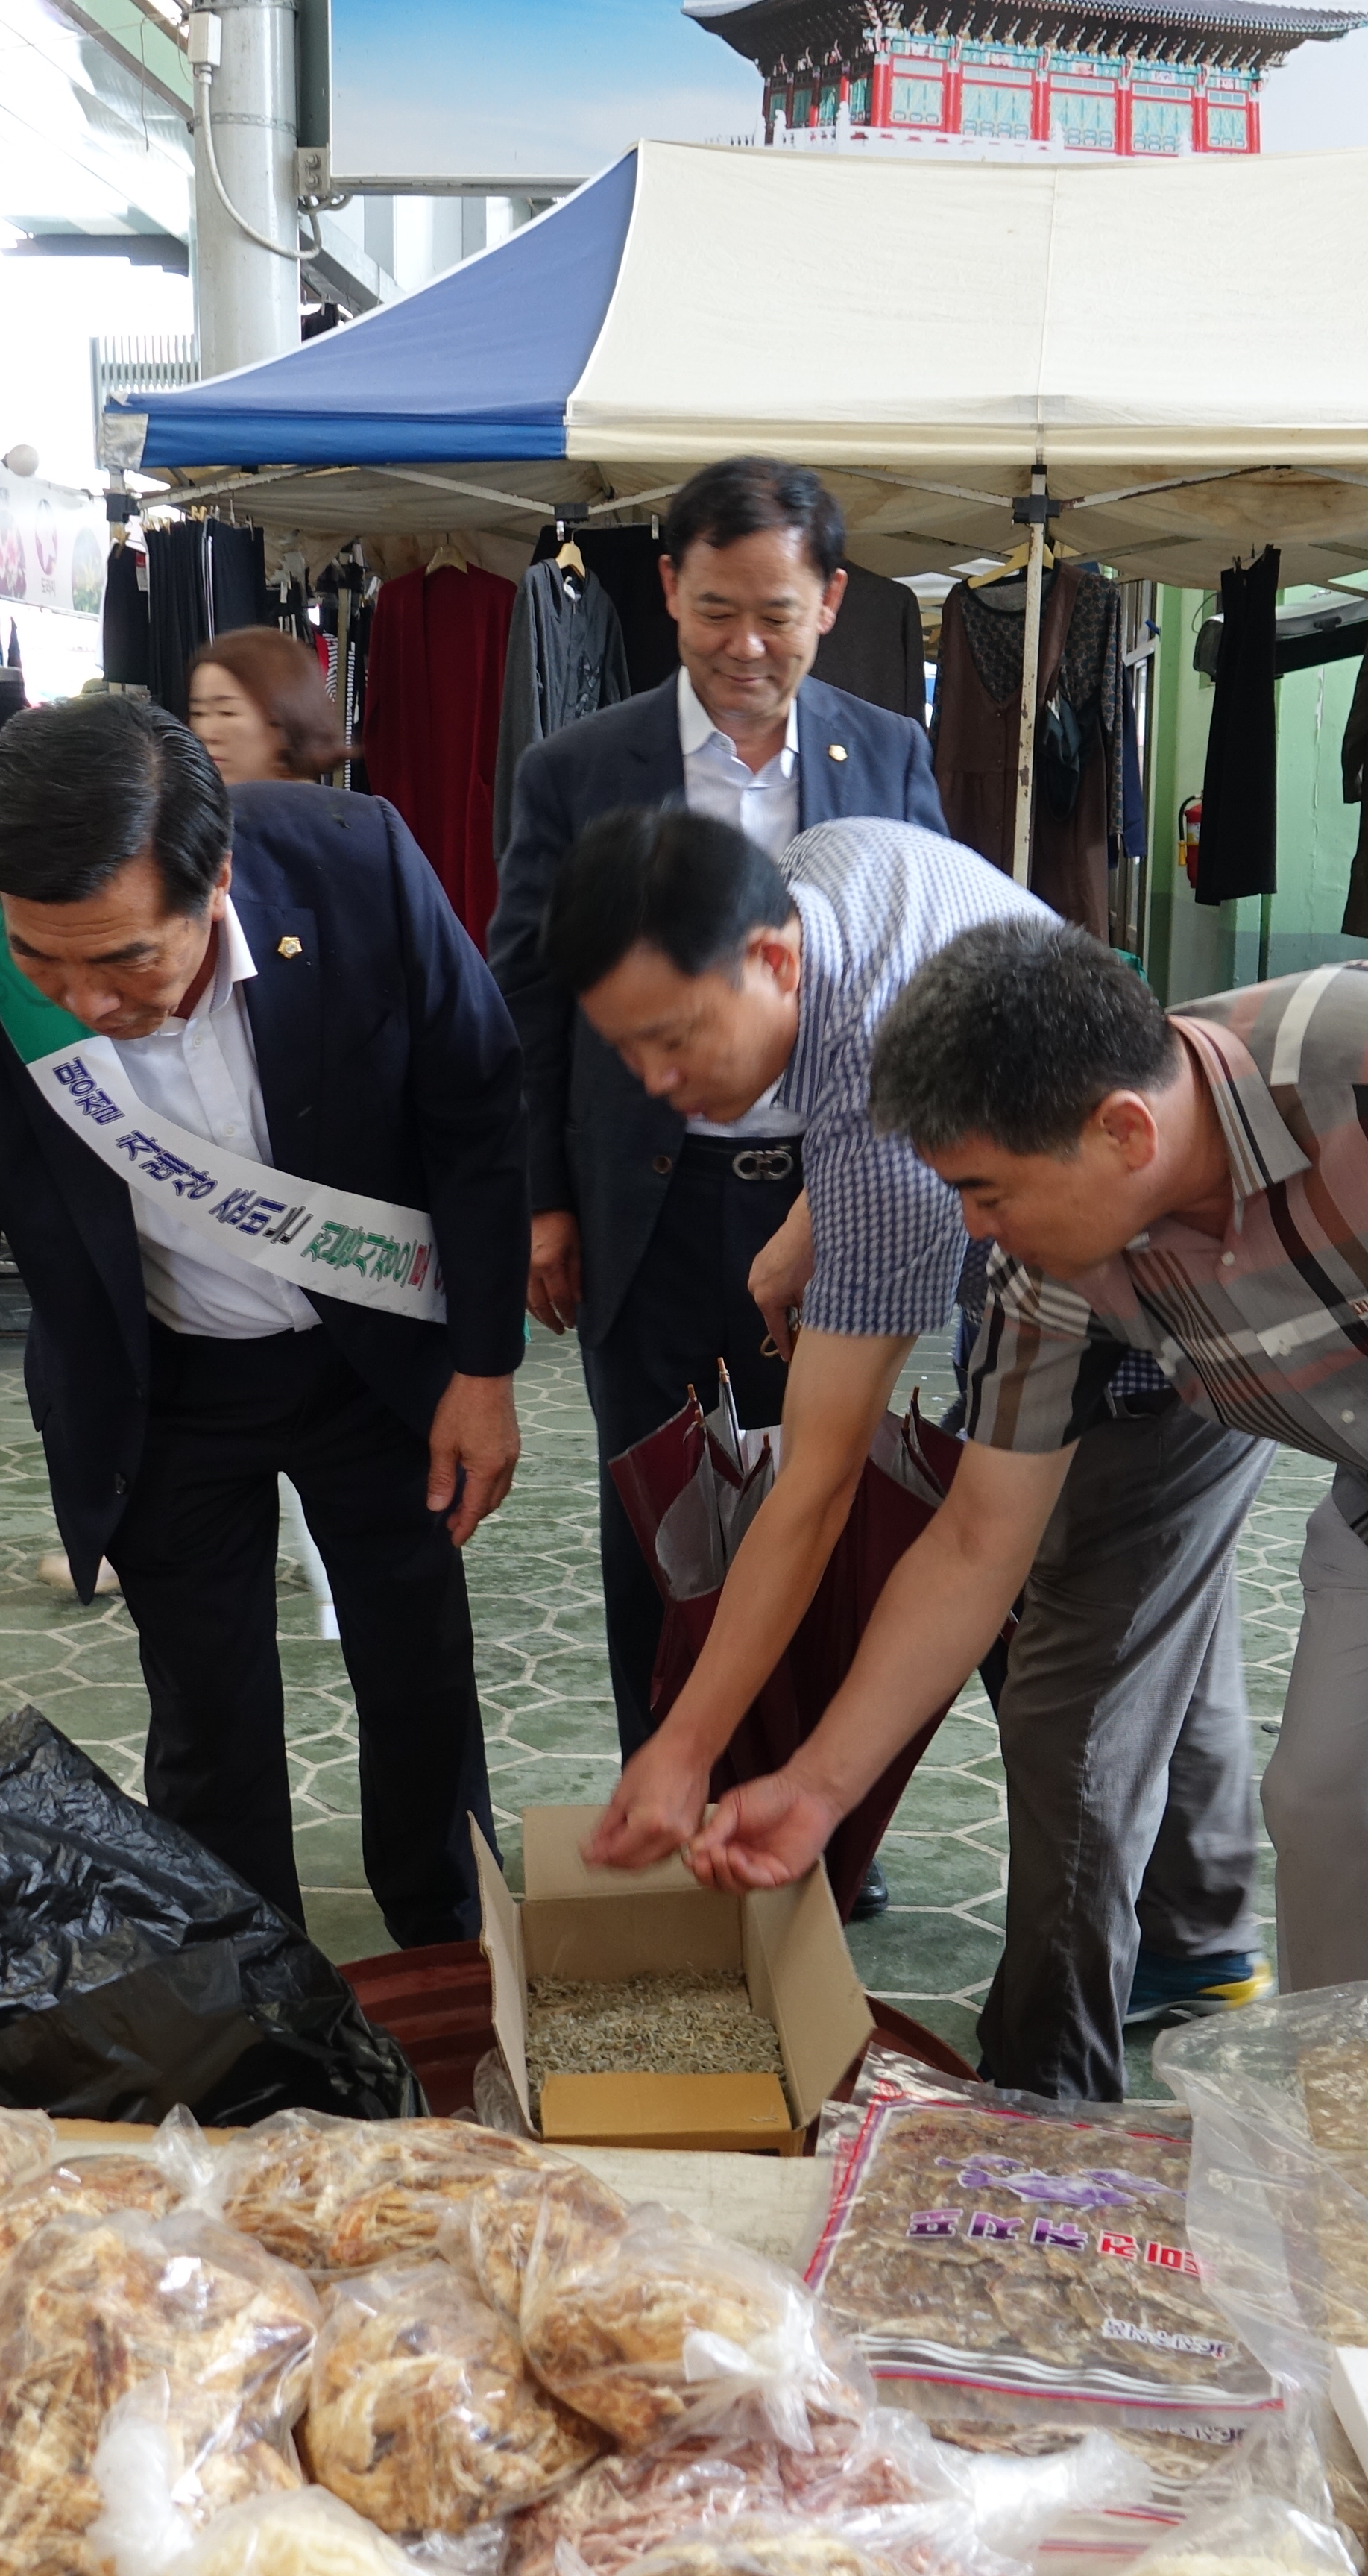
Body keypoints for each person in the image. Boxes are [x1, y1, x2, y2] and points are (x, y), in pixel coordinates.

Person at [612, 921, 1368, 2014]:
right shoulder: (1053, 1269)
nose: (973, 1228)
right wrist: (818, 1790)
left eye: (985, 1190)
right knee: (1329, 1803)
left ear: (1124, 1131)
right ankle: (1361, 2128)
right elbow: (977, 1543)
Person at [554, 808, 1281, 2088]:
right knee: (1156, 1587)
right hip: (1097, 1230)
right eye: (627, 1051)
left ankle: (1042, 2100)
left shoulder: (891, 1133)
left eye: (674, 1039)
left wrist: (681, 1743)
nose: (659, 1084)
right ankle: (1204, 1929)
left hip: (1160, 1292)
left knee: (1073, 1685)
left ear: (773, 960)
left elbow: (818, 1478)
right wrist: (811, 1220)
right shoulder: (818, 877)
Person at [0, 698, 527, 1949]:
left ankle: (450, 1944)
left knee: (418, 1668)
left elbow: (474, 1106)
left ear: (219, 879)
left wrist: (483, 1364)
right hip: (158, 1382)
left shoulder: (358, 864)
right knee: (208, 1712)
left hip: (372, 1357)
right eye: (47, 961)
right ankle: (247, 1984)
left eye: (129, 959)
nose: (87, 1000)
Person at [486, 459, 945, 1769]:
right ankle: (665, 1782)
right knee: (663, 1513)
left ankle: (806, 1799)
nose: (747, 646)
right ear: (667, 590)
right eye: (714, 611)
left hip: (834, 1191)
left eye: (778, 614)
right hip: (650, 1199)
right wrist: (543, 1198)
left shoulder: (887, 750)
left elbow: (915, 990)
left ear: (830, 601)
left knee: (825, 1491)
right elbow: (525, 990)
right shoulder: (579, 765)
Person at [188, 629, 356, 787]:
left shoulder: (328, 816)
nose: (204, 732)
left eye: (227, 712)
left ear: (285, 719)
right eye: (198, 713)